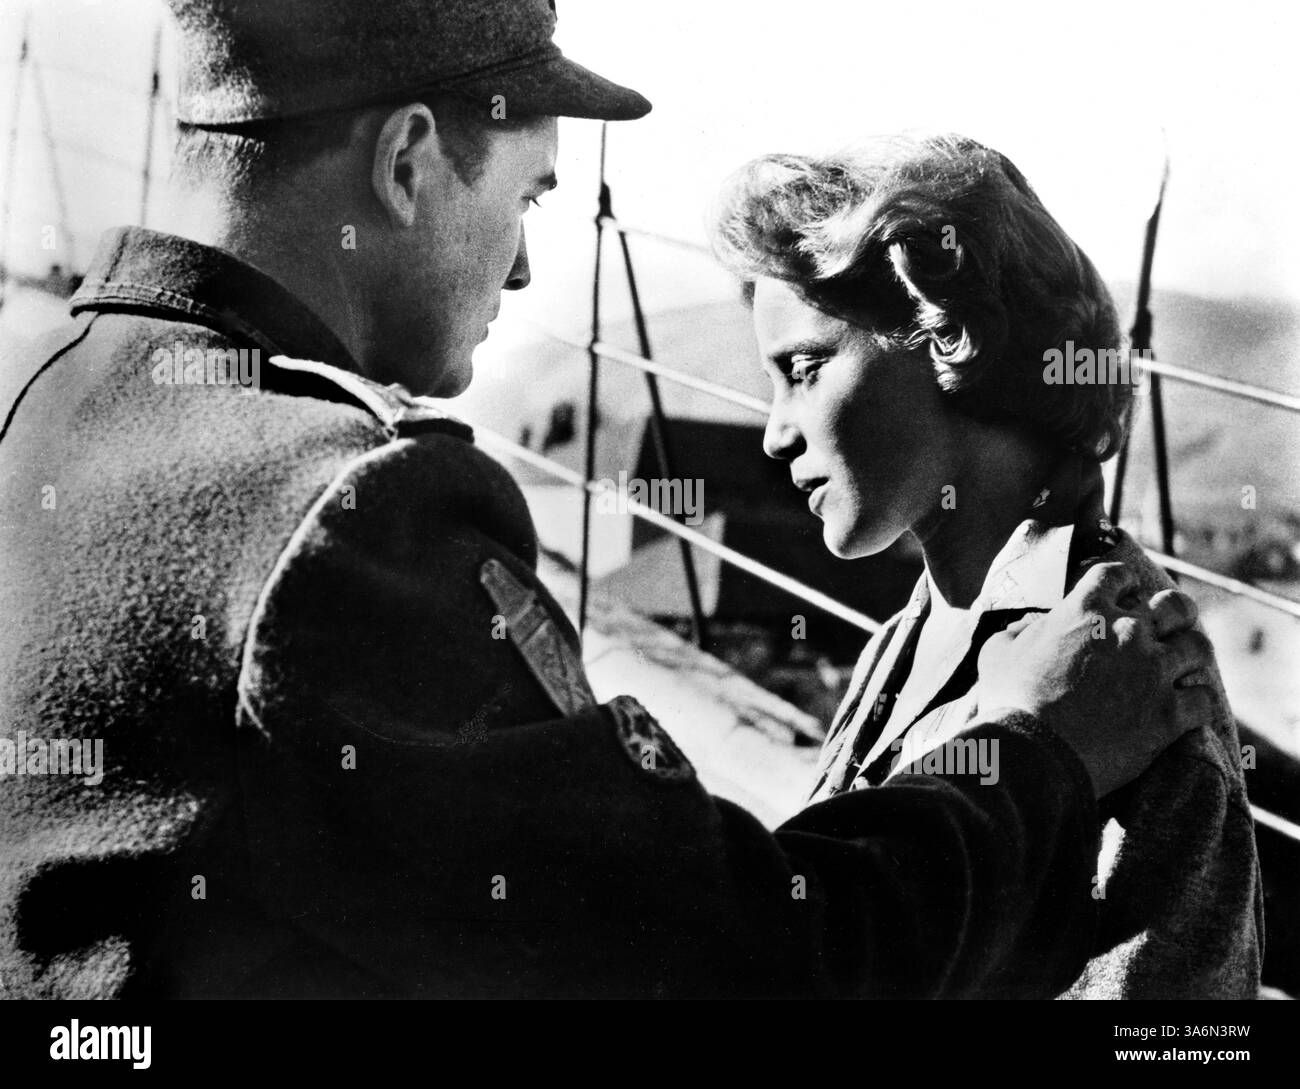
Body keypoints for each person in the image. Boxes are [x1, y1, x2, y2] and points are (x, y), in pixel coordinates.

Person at [0, 4, 1210, 1000]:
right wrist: (1038, 748)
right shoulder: (348, 518)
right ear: (408, 160)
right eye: (528, 197)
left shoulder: (35, 393)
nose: (527, 266)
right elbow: (741, 975)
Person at [710, 133, 1264, 998]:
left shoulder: (1132, 666)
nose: (776, 433)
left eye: (805, 369)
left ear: (949, 338)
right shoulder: (905, 639)